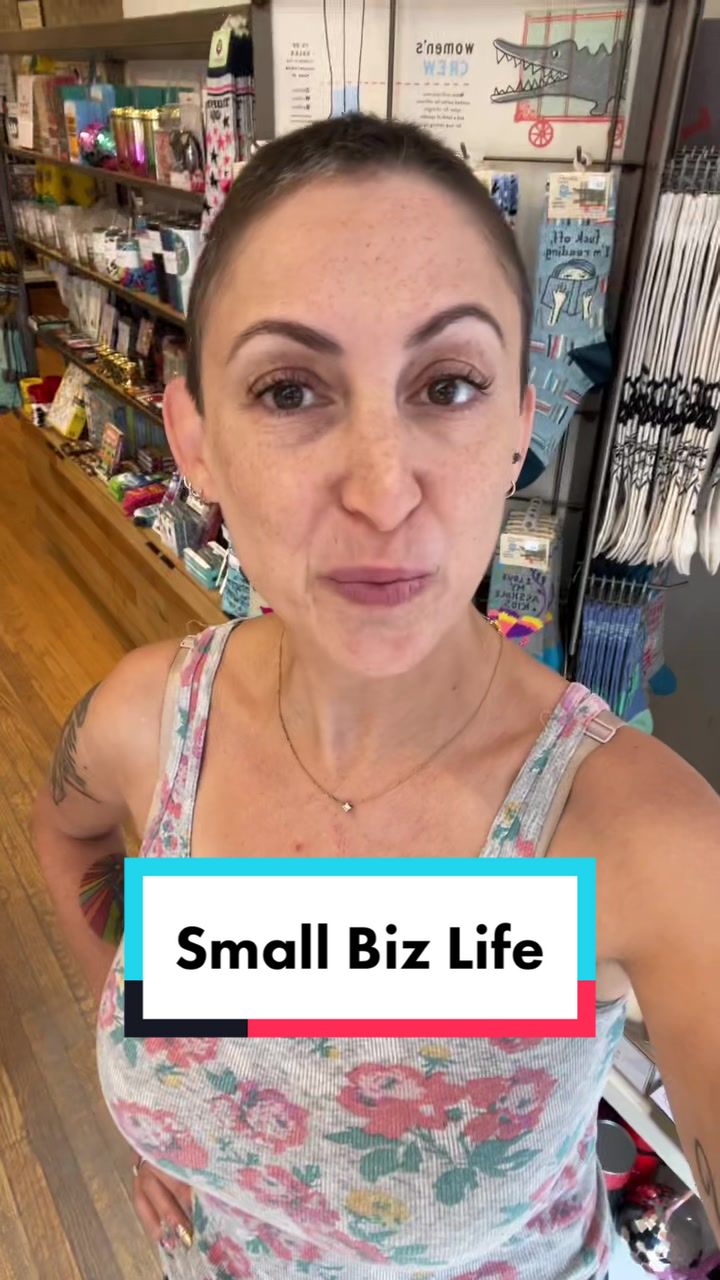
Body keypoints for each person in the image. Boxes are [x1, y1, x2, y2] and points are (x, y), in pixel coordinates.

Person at [33, 114, 719, 1280]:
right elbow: (72, 833)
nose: (384, 489)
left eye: (447, 384)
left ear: (520, 427)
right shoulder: (151, 725)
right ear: (194, 437)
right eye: (290, 389)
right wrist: (154, 1074)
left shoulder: (631, 838)